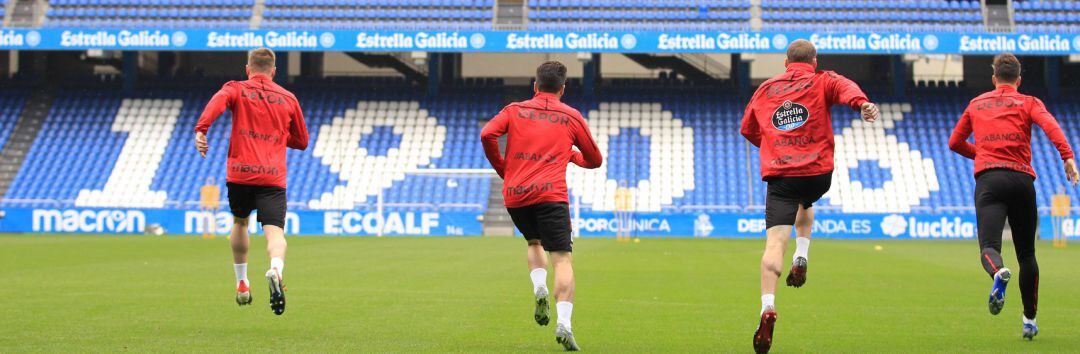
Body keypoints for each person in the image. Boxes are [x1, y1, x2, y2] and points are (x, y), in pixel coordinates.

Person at [740, 39, 879, 353]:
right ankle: (802, 254)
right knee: (807, 200)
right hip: (817, 174)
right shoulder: (823, 79)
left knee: (775, 242)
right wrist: (862, 104)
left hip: (781, 176)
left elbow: (748, 129)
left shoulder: (764, 90)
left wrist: (775, 143)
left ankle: (767, 306)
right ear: (814, 61)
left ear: (786, 62)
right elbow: (846, 89)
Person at [948, 53, 1077, 340]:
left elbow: (955, 142)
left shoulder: (977, 103)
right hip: (1022, 180)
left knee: (989, 247)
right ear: (1018, 80)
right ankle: (1029, 320)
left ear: (994, 79)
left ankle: (998, 271)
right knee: (1028, 254)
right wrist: (1067, 156)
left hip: (990, 181)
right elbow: (1050, 125)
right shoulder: (1029, 102)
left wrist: (981, 153)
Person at [480, 61, 603, 351]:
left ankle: (539, 288)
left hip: (516, 195)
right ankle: (564, 323)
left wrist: (504, 169)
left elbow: (487, 134)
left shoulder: (513, 110)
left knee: (533, 241)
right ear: (562, 88)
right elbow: (595, 159)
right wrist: (572, 157)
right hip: (551, 196)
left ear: (535, 86)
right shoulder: (570, 116)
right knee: (562, 259)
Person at [194, 47, 309, 316]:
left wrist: (202, 129)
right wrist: (279, 135)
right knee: (276, 233)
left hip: (241, 172)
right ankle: (276, 270)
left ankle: (241, 281)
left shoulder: (235, 88)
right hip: (272, 175)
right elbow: (302, 141)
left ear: (248, 69)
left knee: (240, 222)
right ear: (274, 72)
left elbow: (217, 102)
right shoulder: (288, 98)